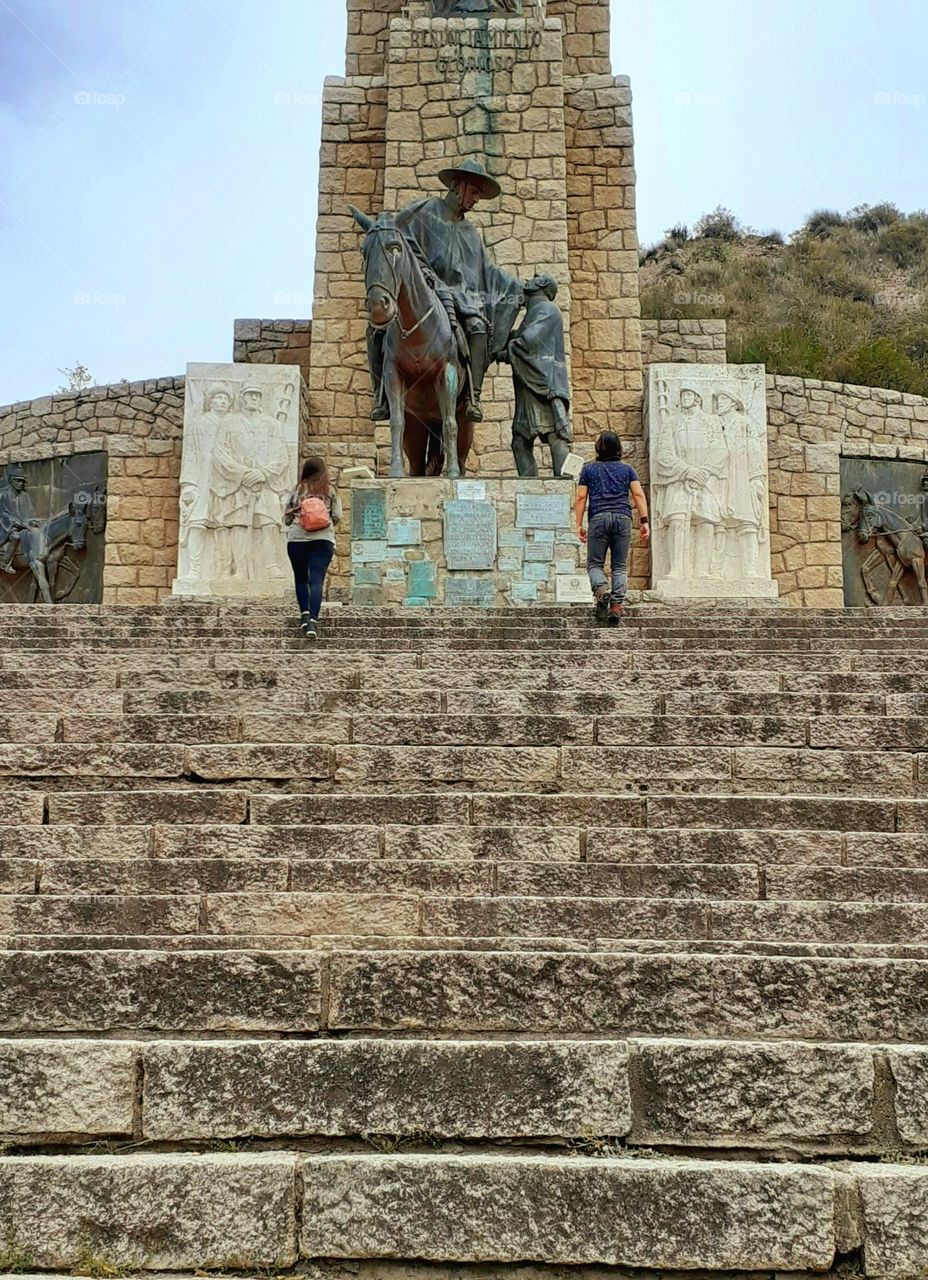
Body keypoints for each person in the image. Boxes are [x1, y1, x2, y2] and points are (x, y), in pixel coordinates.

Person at [368, 158, 524, 424]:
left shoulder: (470, 232)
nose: (476, 199)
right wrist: (422, 271)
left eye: (478, 194)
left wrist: (520, 288)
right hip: (422, 290)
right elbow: (395, 233)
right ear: (457, 186)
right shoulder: (426, 210)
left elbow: (489, 271)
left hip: (460, 296)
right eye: (474, 191)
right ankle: (381, 395)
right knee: (377, 330)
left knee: (476, 327)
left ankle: (473, 396)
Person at [501, 274, 573, 478]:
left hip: (543, 384)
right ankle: (531, 486)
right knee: (520, 441)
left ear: (542, 285)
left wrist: (507, 351)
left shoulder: (548, 310)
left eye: (535, 279)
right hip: (528, 384)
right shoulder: (533, 313)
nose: (528, 280)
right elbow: (522, 339)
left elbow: (530, 341)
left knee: (554, 434)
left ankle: (564, 482)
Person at [575, 433, 650, 625]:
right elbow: (638, 495)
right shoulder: (627, 470)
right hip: (622, 518)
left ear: (598, 448)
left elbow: (581, 497)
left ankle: (601, 591)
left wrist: (579, 524)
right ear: (618, 448)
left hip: (598, 518)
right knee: (619, 565)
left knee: (594, 564)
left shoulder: (588, 469)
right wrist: (644, 521)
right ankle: (616, 606)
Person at [284, 457, 342, 640]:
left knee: (301, 579)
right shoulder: (331, 490)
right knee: (316, 581)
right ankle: (313, 622)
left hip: (297, 540)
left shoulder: (298, 489)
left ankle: (304, 615)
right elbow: (337, 516)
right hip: (323, 540)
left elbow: (286, 519)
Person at [0, 465, 40, 575]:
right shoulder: (4, 495)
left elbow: (31, 512)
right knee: (15, 536)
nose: (21, 484)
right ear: (11, 481)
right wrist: (13, 523)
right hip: (7, 527)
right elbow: (3, 514)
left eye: (23, 481)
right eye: (18, 481)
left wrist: (33, 520)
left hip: (24, 525)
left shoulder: (26, 496)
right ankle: (5, 562)